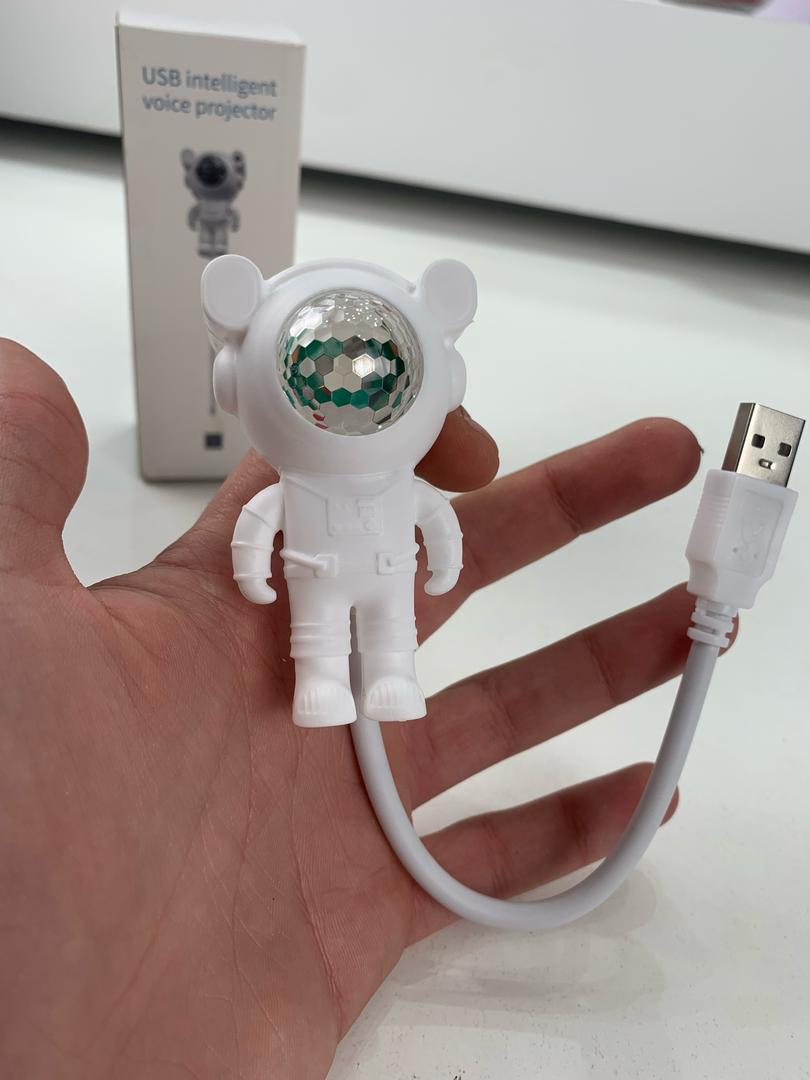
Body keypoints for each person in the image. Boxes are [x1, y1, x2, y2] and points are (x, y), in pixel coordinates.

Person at [0, 338, 708, 1079]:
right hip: (317, 576)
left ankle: (387, 681)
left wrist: (443, 560)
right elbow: (260, 524)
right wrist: (254, 573)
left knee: (388, 637)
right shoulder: (294, 484)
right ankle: (321, 688)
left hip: (383, 575)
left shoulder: (394, 479)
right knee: (318, 643)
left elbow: (434, 517)